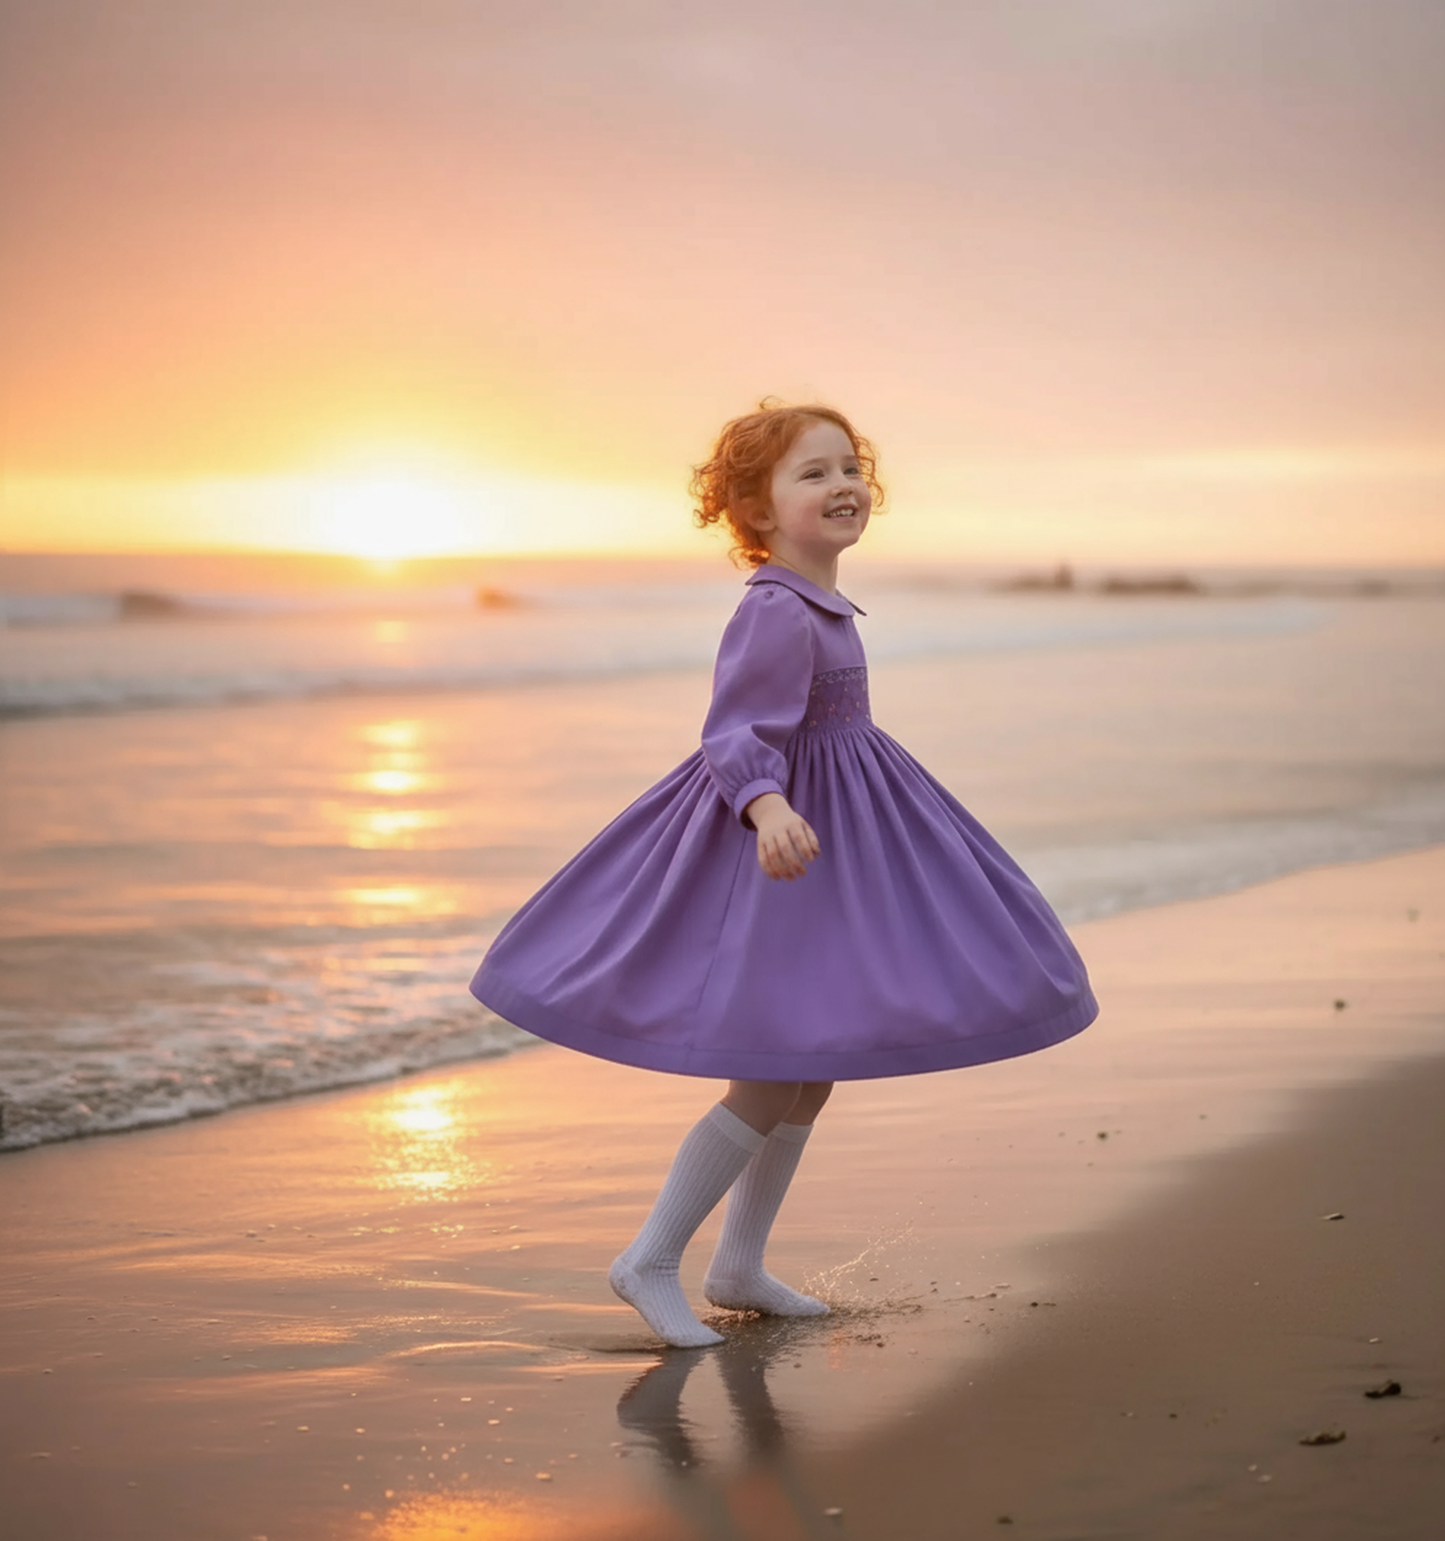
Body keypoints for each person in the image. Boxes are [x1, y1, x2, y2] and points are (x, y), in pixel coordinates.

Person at [471, 402, 1097, 1347]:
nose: (842, 485)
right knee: (767, 1070)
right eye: (812, 474)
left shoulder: (821, 603)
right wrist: (766, 805)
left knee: (808, 1070)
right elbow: (732, 730)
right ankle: (648, 1258)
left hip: (831, 835)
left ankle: (739, 1263)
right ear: (755, 512)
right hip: (772, 842)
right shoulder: (772, 608)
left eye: (850, 468)